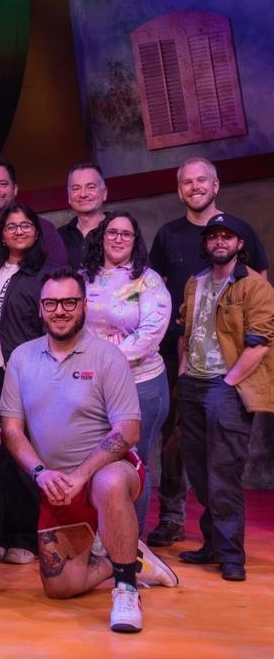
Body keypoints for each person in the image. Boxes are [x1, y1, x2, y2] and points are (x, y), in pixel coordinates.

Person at [0, 269, 178, 635]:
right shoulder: (21, 357)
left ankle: (126, 589)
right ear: (40, 309)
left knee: (108, 482)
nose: (60, 310)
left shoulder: (107, 356)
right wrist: (41, 473)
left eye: (69, 302)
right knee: (59, 588)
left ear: (83, 305)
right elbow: (12, 431)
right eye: (51, 303)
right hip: (56, 484)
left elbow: (128, 431)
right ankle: (129, 557)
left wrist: (82, 474)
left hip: (108, 470)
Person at [146, 156, 269, 549]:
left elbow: (259, 301)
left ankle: (228, 549)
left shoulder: (241, 232)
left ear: (215, 185)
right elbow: (156, 290)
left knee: (223, 459)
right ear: (179, 189)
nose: (194, 186)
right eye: (186, 181)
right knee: (180, 446)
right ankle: (176, 521)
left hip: (231, 369)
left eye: (202, 180)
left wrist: (236, 375)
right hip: (182, 360)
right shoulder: (168, 236)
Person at [176, 212, 274, 582]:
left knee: (223, 472)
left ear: (240, 244)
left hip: (226, 386)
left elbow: (260, 343)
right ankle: (214, 544)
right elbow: (186, 329)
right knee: (199, 471)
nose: (219, 242)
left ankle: (232, 555)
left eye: (226, 237)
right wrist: (183, 372)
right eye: (213, 236)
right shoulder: (195, 281)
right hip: (193, 383)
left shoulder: (254, 287)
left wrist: (230, 381)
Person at [80, 213, 171, 534]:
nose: (118, 239)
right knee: (96, 461)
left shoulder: (148, 280)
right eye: (112, 232)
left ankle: (134, 542)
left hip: (141, 385)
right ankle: (102, 537)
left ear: (136, 241)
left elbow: (150, 333)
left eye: (126, 234)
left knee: (133, 462)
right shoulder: (83, 279)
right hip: (90, 386)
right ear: (102, 236)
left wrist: (106, 359)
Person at [0, 202, 53, 565]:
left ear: (36, 232)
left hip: (26, 374)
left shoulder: (45, 275)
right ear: (1, 234)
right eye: (11, 226)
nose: (18, 231)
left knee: (24, 453)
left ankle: (25, 534)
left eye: (25, 225)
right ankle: (2, 533)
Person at [60, 163, 111, 271]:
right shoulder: (58, 237)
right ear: (69, 196)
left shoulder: (121, 232)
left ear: (104, 193)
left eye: (91, 187)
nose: (83, 194)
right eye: (76, 188)